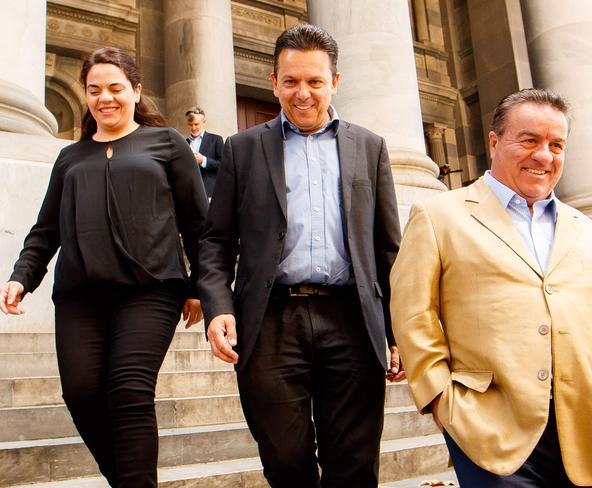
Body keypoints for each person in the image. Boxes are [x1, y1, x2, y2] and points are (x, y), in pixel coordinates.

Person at [390, 88, 592, 487]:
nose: (544, 155)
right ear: (494, 142)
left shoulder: (588, 230)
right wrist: (441, 400)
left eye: (556, 144)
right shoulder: (438, 215)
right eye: (529, 140)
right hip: (491, 430)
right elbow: (413, 315)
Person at [197, 23, 404, 488]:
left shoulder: (369, 147)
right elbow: (216, 241)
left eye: (315, 81)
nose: (303, 93)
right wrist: (218, 308)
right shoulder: (243, 148)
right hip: (269, 322)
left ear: (335, 82)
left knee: (353, 465)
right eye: (291, 81)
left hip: (352, 318)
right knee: (285, 460)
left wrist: (398, 329)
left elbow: (388, 246)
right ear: (274, 82)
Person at [0, 47, 208, 487]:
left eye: (115, 88)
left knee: (130, 392)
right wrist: (22, 277)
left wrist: (200, 287)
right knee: (80, 393)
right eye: (94, 90)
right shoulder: (70, 157)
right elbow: (46, 230)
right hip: (80, 296)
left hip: (150, 291)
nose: (104, 98)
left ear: (135, 91)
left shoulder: (167, 143)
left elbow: (198, 225)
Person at [185, 106, 223, 198]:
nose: (193, 128)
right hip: (189, 192)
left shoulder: (216, 139)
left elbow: (224, 165)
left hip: (209, 192)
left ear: (203, 122)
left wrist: (203, 160)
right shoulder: (184, 143)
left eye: (196, 124)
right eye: (190, 124)